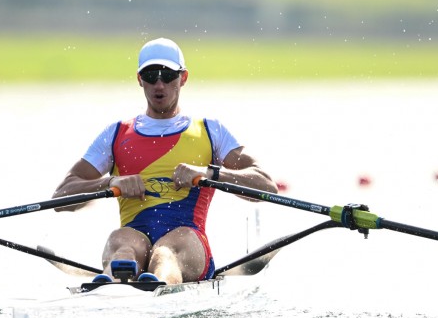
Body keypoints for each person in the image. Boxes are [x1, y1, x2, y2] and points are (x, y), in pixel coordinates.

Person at [53, 37, 277, 284]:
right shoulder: (115, 134)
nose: (159, 84)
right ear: (140, 79)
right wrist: (110, 183)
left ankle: (154, 283)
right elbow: (61, 197)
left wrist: (209, 174)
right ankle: (113, 284)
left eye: (168, 75)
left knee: (165, 252)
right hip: (132, 239)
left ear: (184, 78)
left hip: (188, 243)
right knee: (124, 242)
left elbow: (266, 186)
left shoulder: (211, 131)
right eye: (150, 75)